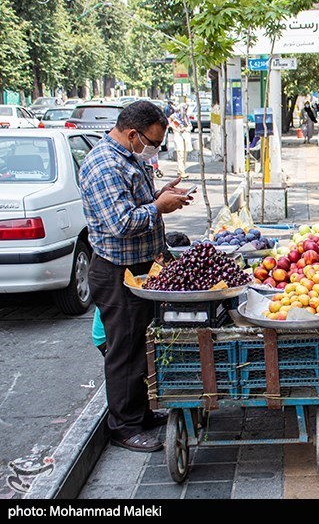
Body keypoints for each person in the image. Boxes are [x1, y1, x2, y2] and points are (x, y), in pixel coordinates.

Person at [79, 100, 193, 453]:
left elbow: (133, 204)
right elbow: (121, 223)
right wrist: (158, 208)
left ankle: (141, 412)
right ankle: (124, 426)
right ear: (132, 133)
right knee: (124, 350)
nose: (154, 149)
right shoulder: (103, 165)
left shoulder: (127, 158)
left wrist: (160, 195)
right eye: (153, 142)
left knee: (143, 344)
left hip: (141, 269)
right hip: (117, 273)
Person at [168, 102, 193, 180]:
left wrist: (186, 129)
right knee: (180, 153)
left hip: (185, 135)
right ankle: (181, 171)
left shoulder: (185, 117)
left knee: (185, 153)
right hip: (178, 135)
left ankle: (182, 170)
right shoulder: (174, 116)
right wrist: (177, 129)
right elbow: (169, 123)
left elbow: (189, 126)